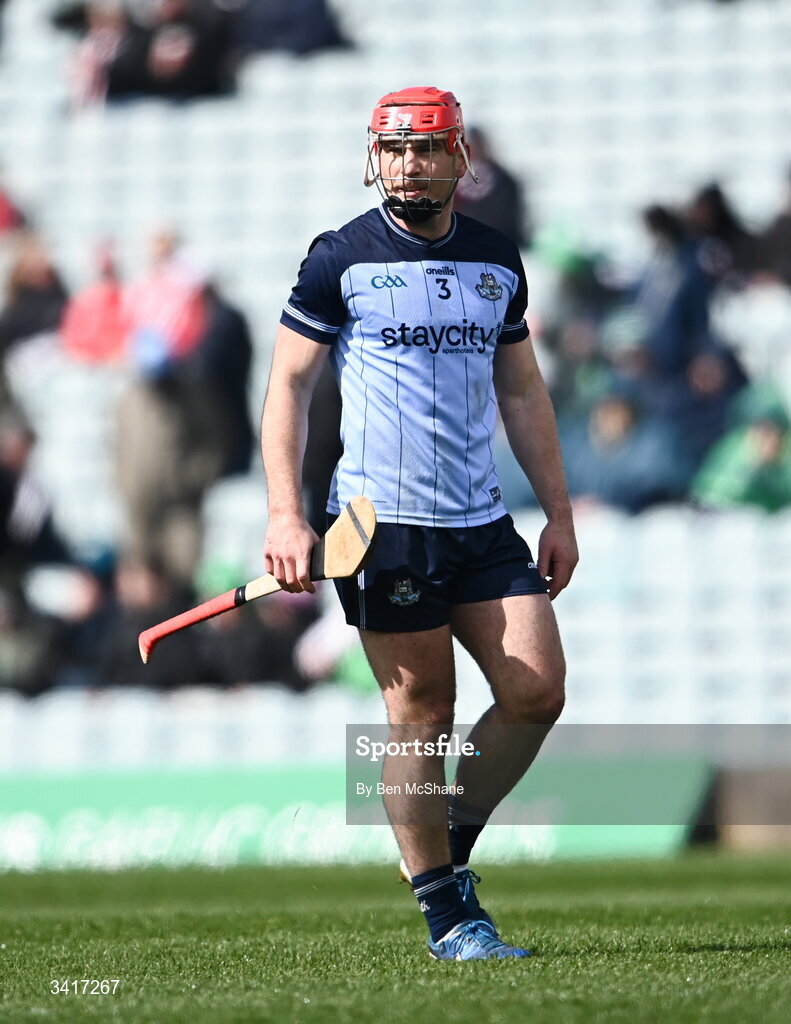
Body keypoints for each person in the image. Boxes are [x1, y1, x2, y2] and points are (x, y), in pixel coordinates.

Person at [260, 87, 578, 961]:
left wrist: (556, 511)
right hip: (380, 525)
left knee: (535, 691)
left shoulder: (493, 258)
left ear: (457, 157)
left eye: (425, 149)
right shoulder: (340, 258)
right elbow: (286, 386)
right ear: (376, 157)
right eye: (394, 150)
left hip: (481, 521)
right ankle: (449, 917)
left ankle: (444, 849)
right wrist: (287, 514)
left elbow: (521, 389)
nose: (409, 165)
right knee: (421, 715)